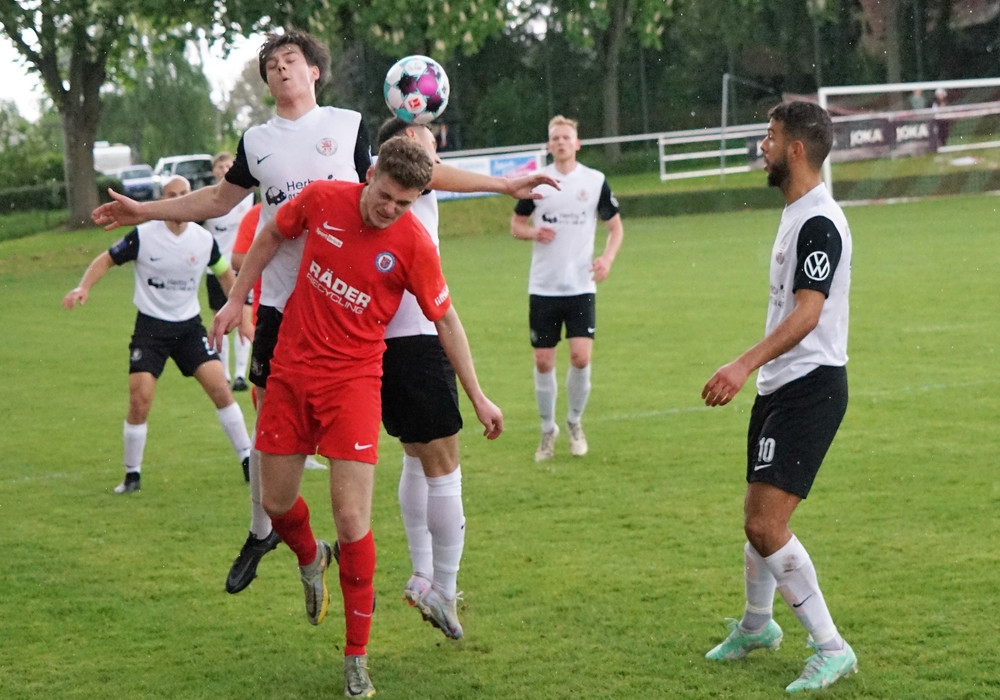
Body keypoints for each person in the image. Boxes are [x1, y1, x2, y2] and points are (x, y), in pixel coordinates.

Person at [92, 30, 556, 599]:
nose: (280, 68)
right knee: (269, 433)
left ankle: (363, 566)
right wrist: (145, 211)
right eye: (271, 64)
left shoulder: (347, 125)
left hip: (345, 311)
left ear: (314, 71)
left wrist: (502, 184)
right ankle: (262, 532)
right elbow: (216, 200)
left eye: (290, 59)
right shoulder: (256, 140)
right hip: (281, 307)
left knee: (361, 455)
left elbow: (412, 176)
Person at [209, 135, 504, 698]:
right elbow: (271, 234)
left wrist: (479, 396)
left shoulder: (414, 244)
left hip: (354, 384)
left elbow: (446, 321)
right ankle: (310, 555)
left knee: (352, 521)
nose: (391, 209)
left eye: (405, 203)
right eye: (386, 196)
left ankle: (356, 657)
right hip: (291, 373)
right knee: (275, 503)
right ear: (370, 175)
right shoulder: (323, 199)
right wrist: (235, 300)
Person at [700, 101, 856, 693]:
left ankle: (832, 647)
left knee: (767, 525)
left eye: (769, 137)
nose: (761, 147)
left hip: (810, 389)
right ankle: (757, 626)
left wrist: (742, 364)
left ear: (796, 148)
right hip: (782, 386)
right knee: (757, 521)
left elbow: (808, 314)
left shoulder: (819, 222)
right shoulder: (797, 213)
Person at [63, 175, 253, 494]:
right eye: (171, 195)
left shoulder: (203, 240)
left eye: (183, 194)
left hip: (189, 328)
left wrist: (240, 313)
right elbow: (106, 259)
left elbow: (225, 275)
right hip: (150, 328)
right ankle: (132, 474)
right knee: (140, 399)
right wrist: (83, 286)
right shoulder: (143, 235)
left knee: (221, 389)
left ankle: (248, 460)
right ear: (162, 200)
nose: (178, 200)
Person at [510, 115, 624, 462]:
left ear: (577, 143)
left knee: (580, 357)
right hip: (544, 286)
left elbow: (615, 228)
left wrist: (606, 259)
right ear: (549, 145)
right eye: (555, 138)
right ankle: (548, 429)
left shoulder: (594, 181)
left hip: (580, 285)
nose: (561, 142)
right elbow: (516, 225)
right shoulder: (538, 183)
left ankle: (574, 422)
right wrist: (534, 232)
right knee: (544, 361)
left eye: (566, 137)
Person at [203, 152, 254, 392]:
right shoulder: (209, 200)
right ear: (214, 171)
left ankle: (240, 374)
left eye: (228, 166)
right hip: (216, 269)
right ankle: (222, 373)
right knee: (220, 321)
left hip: (243, 268)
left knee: (244, 318)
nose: (224, 170)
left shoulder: (247, 195)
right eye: (220, 167)